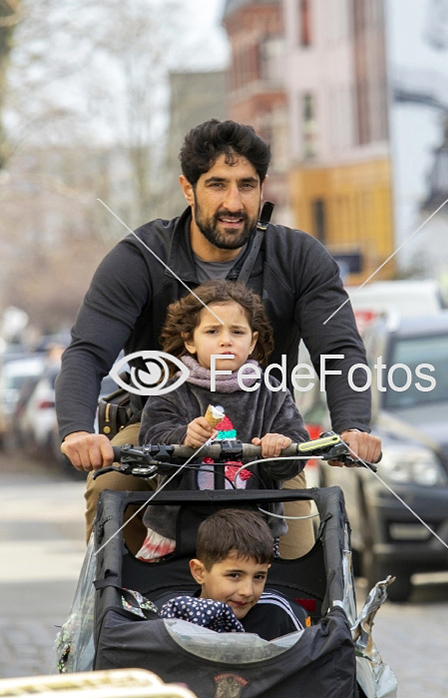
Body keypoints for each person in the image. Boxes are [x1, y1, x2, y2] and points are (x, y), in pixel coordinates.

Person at [55, 118, 381, 555]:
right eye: (217, 185)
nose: (234, 201)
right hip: (159, 433)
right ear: (188, 190)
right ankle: (109, 616)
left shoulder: (299, 257)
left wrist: (353, 427)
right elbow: (87, 352)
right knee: (110, 489)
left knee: (308, 563)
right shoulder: (140, 257)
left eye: (246, 185)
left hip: (266, 438)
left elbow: (339, 350)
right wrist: (78, 430)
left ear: (262, 189)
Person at [135, 279, 310, 562]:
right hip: (177, 532)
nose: (226, 340)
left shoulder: (271, 392)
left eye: (237, 331)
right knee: (159, 596)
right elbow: (151, 441)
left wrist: (282, 445)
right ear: (189, 340)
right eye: (213, 331)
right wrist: (182, 437)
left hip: (257, 532)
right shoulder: (171, 391)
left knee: (266, 594)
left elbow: (296, 452)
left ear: (252, 341)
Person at [159, 508, 309, 640]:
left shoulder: (277, 612)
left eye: (259, 577)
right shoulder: (175, 616)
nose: (247, 591)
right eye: (235, 575)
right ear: (200, 572)